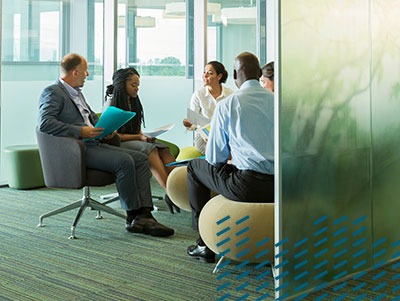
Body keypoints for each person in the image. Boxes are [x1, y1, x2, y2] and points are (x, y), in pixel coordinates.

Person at [38, 53, 174, 237]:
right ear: (75, 72)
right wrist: (81, 131)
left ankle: (145, 214)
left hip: (95, 143)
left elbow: (91, 118)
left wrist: (106, 128)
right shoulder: (53, 92)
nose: (87, 75)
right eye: (85, 71)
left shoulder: (77, 93)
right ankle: (133, 216)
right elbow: (45, 123)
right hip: (78, 149)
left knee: (141, 159)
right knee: (124, 160)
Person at [186, 52, 275, 263]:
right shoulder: (278, 102)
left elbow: (215, 158)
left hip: (247, 186)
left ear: (234, 74)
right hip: (282, 184)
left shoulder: (228, 104)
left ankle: (204, 244)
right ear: (259, 73)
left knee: (194, 167)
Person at [104, 67, 179, 213]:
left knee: (163, 148)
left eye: (138, 85)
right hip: (115, 143)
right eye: (133, 85)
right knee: (149, 149)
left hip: (132, 140)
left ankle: (179, 188)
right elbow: (115, 135)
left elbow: (136, 129)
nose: (137, 88)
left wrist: (144, 136)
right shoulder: (112, 103)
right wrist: (140, 137)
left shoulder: (134, 102)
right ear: (121, 84)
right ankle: (169, 192)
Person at [182, 61, 233, 154]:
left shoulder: (230, 95)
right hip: (204, 137)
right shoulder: (198, 95)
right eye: (204, 72)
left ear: (219, 76)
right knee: (215, 150)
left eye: (210, 73)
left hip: (225, 135)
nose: (205, 76)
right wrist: (189, 124)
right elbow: (194, 121)